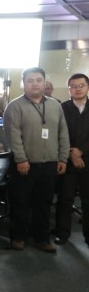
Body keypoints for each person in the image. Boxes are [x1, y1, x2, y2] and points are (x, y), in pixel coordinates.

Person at [3, 67, 69, 253]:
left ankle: (42, 238)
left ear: (44, 81)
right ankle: (18, 237)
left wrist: (63, 158)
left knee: (44, 203)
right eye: (30, 80)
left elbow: (63, 133)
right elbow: (12, 136)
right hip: (24, 165)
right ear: (24, 83)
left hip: (49, 164)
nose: (35, 83)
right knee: (20, 203)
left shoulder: (56, 105)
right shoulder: (15, 107)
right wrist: (21, 159)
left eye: (39, 80)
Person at [55, 73, 89, 246]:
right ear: (69, 89)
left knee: (87, 199)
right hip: (66, 160)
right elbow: (58, 132)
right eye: (73, 86)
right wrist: (70, 152)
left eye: (81, 85)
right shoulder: (62, 107)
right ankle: (62, 234)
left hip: (87, 161)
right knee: (65, 199)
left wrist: (81, 151)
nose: (77, 89)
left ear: (87, 86)